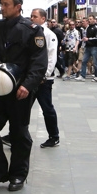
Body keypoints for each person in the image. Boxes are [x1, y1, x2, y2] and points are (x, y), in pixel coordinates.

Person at [0, 0, 47, 192]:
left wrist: (28, 85)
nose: (2, 8)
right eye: (1, 4)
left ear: (18, 6)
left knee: (19, 133)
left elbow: (38, 63)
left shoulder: (32, 30)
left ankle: (17, 174)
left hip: (19, 90)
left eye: (6, 4)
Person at [30, 8, 61, 148]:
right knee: (22, 107)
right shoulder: (30, 32)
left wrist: (46, 74)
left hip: (43, 80)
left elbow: (51, 56)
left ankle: (54, 137)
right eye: (31, 16)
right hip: (30, 78)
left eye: (35, 16)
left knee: (47, 108)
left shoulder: (49, 35)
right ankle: (15, 134)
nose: (32, 18)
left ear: (43, 19)